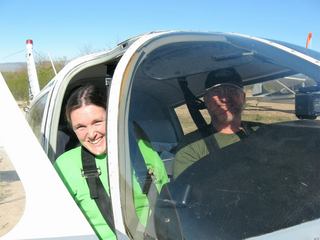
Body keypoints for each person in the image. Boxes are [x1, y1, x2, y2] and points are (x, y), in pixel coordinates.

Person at [54, 84, 168, 239]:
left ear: (113, 117)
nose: (92, 134)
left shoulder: (142, 149)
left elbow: (167, 201)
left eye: (97, 122)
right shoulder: (65, 166)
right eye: (80, 127)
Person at [173, 68, 257, 178]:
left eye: (232, 91)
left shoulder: (263, 132)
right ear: (206, 100)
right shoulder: (191, 147)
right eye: (217, 92)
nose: (225, 99)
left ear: (243, 98)